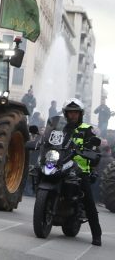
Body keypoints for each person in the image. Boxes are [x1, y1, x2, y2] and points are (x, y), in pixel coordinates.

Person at [59, 98, 102, 246]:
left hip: (80, 171)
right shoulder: (61, 128)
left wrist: (92, 151)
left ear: (80, 114)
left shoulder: (87, 129)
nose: (73, 115)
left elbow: (95, 149)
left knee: (89, 201)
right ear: (66, 114)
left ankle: (97, 235)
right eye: (70, 112)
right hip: (61, 166)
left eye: (75, 112)